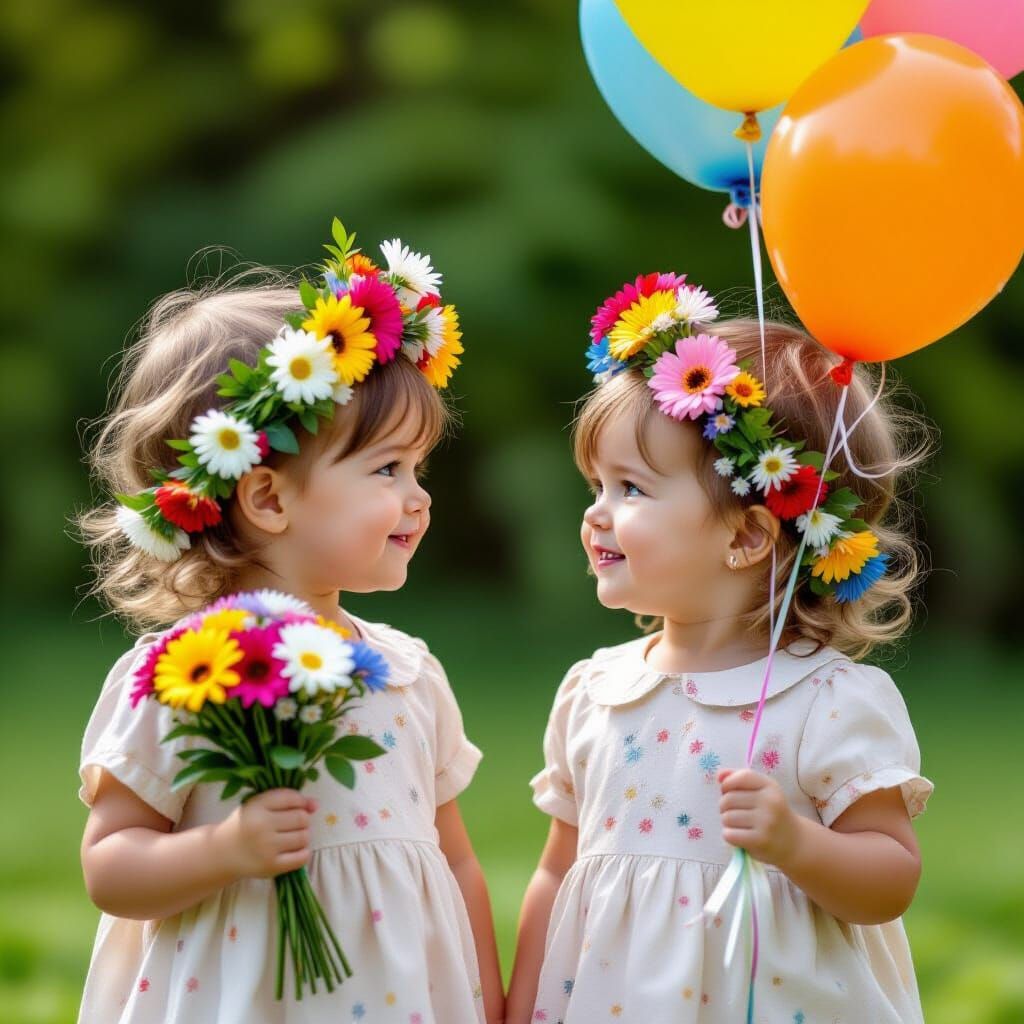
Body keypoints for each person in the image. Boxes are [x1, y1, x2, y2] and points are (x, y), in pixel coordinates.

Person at [74, 223, 503, 1023]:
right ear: (268, 497)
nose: (420, 497)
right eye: (386, 469)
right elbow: (111, 867)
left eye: (419, 468)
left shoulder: (408, 673)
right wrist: (226, 850)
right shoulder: (184, 673)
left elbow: (457, 863)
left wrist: (490, 1004)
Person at [506, 273, 934, 1023]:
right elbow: (556, 874)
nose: (597, 515)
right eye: (596, 486)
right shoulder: (596, 692)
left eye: (631, 489)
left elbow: (890, 879)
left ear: (745, 536)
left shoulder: (825, 702)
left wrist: (794, 843)